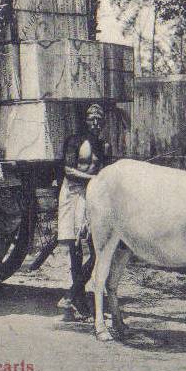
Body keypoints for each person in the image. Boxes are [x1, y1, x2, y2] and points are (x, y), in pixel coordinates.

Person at [56, 103, 111, 320]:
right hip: (72, 193)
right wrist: (94, 179)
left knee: (96, 249)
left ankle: (73, 293)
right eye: (92, 119)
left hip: (91, 195)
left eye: (99, 119)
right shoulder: (75, 141)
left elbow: (106, 171)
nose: (96, 123)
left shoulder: (103, 146)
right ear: (86, 121)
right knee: (75, 248)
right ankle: (77, 299)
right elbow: (69, 170)